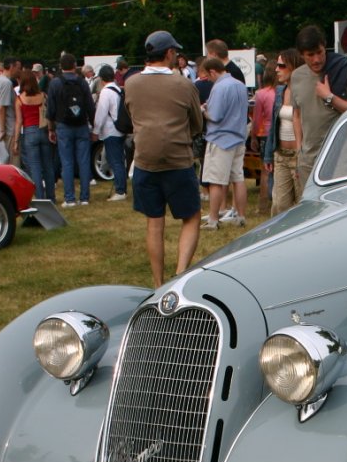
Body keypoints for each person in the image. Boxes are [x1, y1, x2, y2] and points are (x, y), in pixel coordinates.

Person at [123, 30, 204, 287]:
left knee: (154, 223)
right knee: (191, 217)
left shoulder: (131, 84)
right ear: (169, 53)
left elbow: (130, 116)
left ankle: (158, 283)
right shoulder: (183, 85)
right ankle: (179, 275)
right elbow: (197, 124)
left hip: (145, 160)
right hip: (178, 160)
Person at [292, 25, 347, 187]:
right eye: (310, 55)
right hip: (308, 159)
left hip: (341, 155)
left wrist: (330, 97)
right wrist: (299, 151)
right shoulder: (297, 77)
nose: (316, 59)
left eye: (320, 52)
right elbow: (296, 115)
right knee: (311, 209)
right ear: (302, 55)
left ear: (325, 48)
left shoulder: (344, 70)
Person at [199, 57, 248, 230]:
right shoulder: (240, 85)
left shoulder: (219, 87)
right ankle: (241, 216)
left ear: (213, 71)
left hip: (221, 139)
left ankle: (213, 219)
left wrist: (204, 110)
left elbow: (216, 115)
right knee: (238, 178)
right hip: (239, 137)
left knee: (216, 181)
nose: (208, 80)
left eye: (208, 75)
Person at [46, 53, 95, 207]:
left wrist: (51, 129)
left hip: (63, 125)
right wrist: (93, 125)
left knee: (66, 163)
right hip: (81, 125)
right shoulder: (82, 82)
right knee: (84, 161)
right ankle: (85, 197)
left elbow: (51, 109)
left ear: (61, 66)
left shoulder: (55, 83)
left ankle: (70, 198)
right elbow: (90, 106)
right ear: (75, 65)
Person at [263, 48, 304, 215]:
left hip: (300, 156)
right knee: (280, 205)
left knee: (302, 204)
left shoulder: (304, 92)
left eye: (281, 66)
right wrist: (268, 154)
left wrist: (303, 154)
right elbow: (274, 124)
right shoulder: (280, 92)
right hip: (281, 155)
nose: (276, 69)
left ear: (294, 67)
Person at [13, 69, 56, 201]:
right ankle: (51, 197)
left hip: (29, 132)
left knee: (35, 167)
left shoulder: (20, 99)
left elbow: (19, 121)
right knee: (48, 166)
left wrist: (16, 141)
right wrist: (51, 130)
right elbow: (47, 116)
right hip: (43, 130)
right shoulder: (43, 96)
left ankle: (40, 197)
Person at [93, 64, 128, 202]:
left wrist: (95, 131)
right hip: (119, 129)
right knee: (119, 160)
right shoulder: (118, 89)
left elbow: (101, 113)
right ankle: (122, 187)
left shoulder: (106, 92)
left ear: (101, 79)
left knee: (115, 161)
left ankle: (120, 190)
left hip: (110, 130)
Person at [251, 63, 276, 215]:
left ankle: (263, 206)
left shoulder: (261, 94)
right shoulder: (283, 92)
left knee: (265, 171)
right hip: (280, 133)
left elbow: (256, 118)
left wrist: (253, 136)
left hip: (264, 133)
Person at [0, 57, 22, 164]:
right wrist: (3, 130)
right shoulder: (6, 83)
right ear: (12, 67)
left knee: (1, 162)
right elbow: (2, 107)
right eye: (18, 68)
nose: (19, 71)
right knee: (13, 162)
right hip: (8, 128)